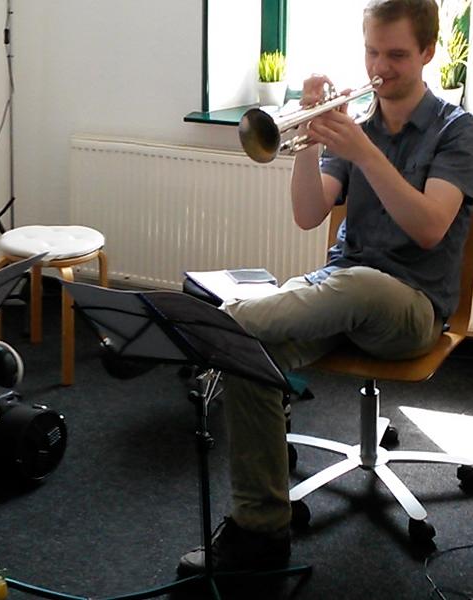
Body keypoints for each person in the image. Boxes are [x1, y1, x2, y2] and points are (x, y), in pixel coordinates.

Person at [178, 0, 473, 573]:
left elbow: (430, 228)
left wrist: (365, 152)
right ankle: (261, 530)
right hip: (341, 289)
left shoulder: (456, 131)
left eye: (396, 55)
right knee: (250, 357)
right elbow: (309, 214)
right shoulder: (356, 124)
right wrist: (310, 139)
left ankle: (222, 319)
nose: (379, 67)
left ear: (428, 53)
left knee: (352, 285)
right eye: (371, 52)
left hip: (412, 308)